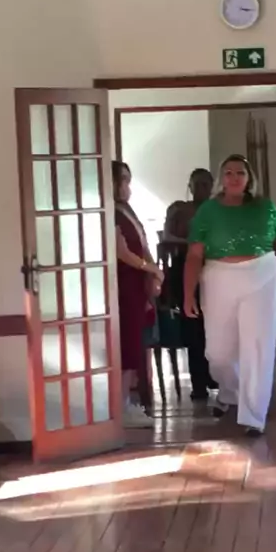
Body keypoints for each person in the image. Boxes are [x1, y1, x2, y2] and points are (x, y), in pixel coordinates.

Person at [183, 154, 276, 437]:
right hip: (219, 277)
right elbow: (195, 254)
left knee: (257, 346)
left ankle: (254, 415)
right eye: (229, 173)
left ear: (249, 179)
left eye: (240, 173)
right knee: (218, 353)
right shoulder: (208, 211)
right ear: (221, 179)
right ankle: (230, 391)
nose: (234, 178)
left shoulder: (266, 208)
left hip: (262, 275)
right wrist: (188, 294)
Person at [112, 161, 164, 428]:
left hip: (137, 285)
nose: (126, 186)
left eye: (127, 180)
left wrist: (154, 273)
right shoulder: (109, 211)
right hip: (122, 285)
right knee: (127, 345)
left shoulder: (126, 210)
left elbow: (143, 245)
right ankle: (120, 406)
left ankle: (128, 402)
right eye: (121, 179)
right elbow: (121, 251)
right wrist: (150, 268)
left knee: (136, 344)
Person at [163, 169, 217, 401]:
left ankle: (214, 374)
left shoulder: (219, 210)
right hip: (185, 270)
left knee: (215, 327)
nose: (201, 189)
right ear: (190, 186)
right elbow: (166, 237)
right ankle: (198, 382)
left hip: (214, 270)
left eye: (206, 184)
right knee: (193, 327)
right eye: (197, 184)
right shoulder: (179, 209)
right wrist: (191, 244)